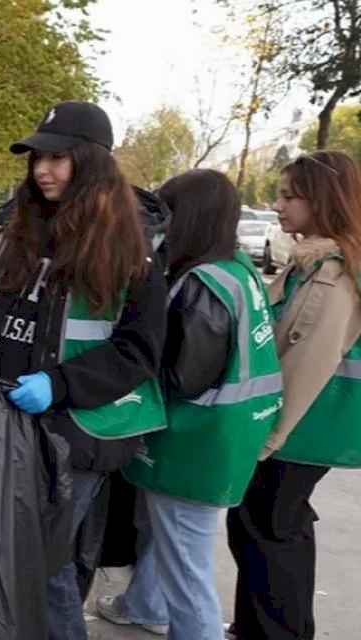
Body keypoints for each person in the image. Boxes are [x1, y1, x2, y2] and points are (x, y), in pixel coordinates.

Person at [0, 101, 168, 640]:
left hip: (76, 433)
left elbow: (139, 351)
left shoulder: (131, 252)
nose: (42, 169)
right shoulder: (11, 235)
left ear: (91, 162)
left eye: (58, 158)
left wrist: (60, 385)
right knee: (11, 553)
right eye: (37, 157)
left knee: (44, 565)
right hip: (4, 424)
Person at [94, 169, 282, 639]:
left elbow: (184, 376)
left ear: (188, 218)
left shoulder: (200, 283)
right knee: (169, 537)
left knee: (187, 565)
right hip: (230, 436)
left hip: (195, 444)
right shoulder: (237, 270)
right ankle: (143, 604)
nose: (157, 223)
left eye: (165, 212)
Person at [225, 150, 361, 640]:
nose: (277, 205)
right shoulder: (314, 260)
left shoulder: (332, 272)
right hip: (307, 428)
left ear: (320, 200)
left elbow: (306, 364)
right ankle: (265, 627)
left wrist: (268, 437)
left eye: (289, 196)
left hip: (303, 428)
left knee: (268, 528)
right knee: (276, 525)